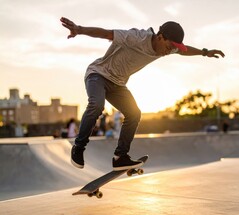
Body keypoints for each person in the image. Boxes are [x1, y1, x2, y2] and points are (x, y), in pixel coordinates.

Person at [60, 17, 225, 171]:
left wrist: (205, 52)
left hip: (117, 84)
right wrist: (79, 29)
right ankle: (79, 147)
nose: (168, 52)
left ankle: (120, 157)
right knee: (96, 105)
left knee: (134, 113)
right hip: (98, 74)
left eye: (172, 49)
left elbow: (184, 50)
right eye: (168, 47)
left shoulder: (168, 47)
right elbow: (106, 33)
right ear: (160, 37)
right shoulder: (136, 37)